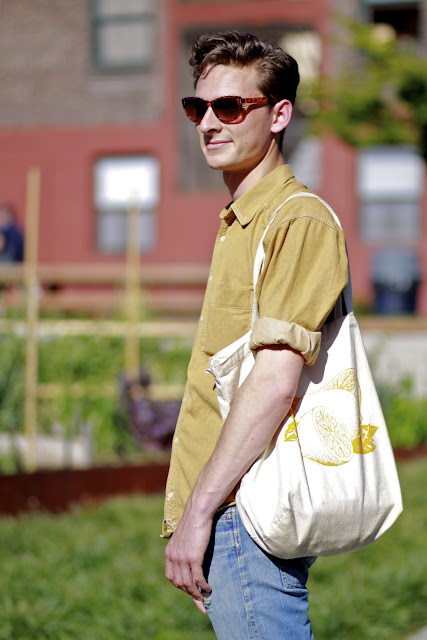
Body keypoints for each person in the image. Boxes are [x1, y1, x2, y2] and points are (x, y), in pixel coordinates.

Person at [163, 30, 348, 639]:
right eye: (198, 108)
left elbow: (273, 381)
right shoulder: (240, 223)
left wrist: (200, 512)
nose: (209, 123)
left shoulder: (295, 219)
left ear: (279, 114)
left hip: (247, 506)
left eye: (230, 107)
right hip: (231, 510)